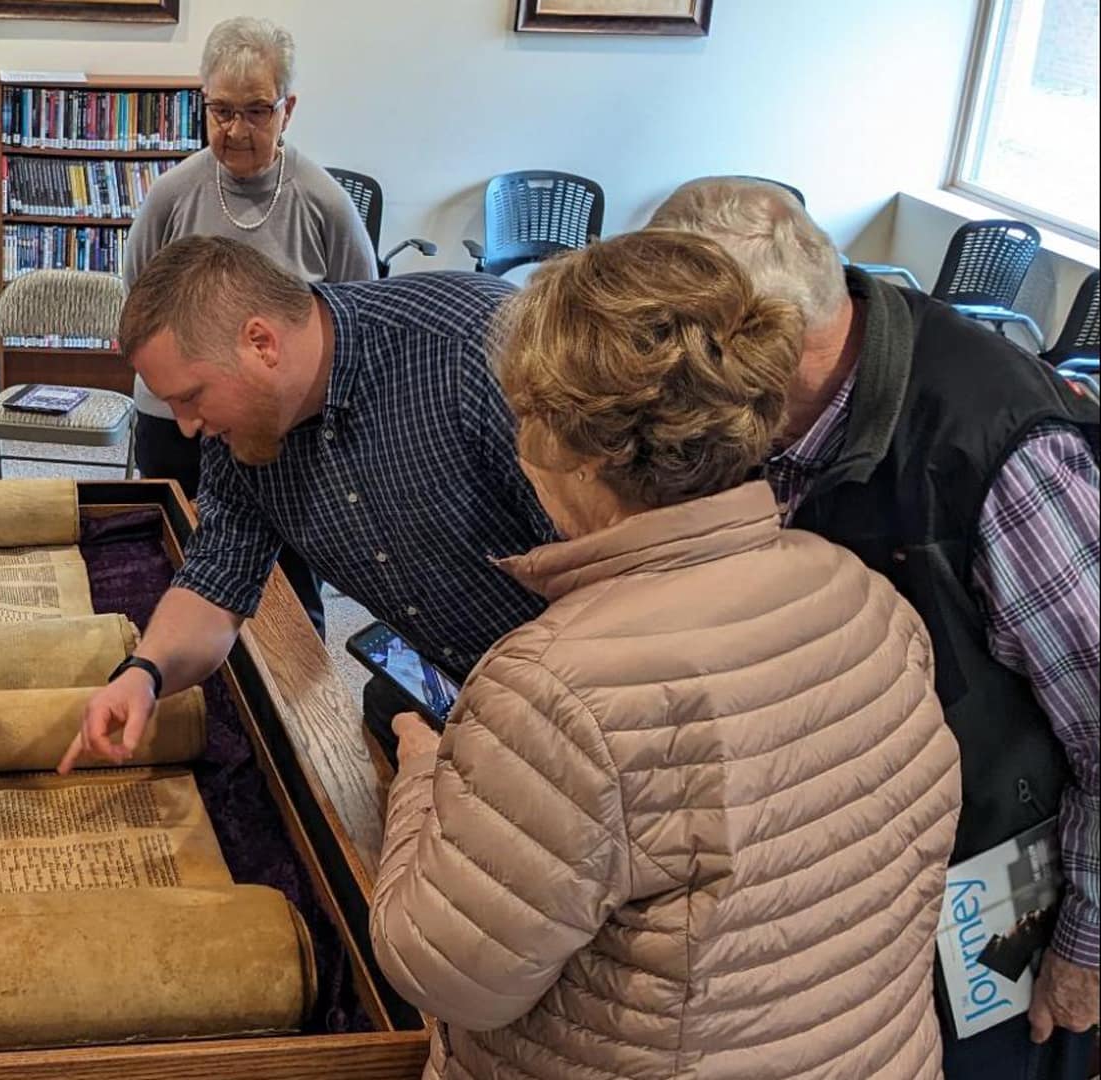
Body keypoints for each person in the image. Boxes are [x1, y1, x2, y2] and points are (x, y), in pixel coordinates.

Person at [372, 229, 962, 1078]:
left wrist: (423, 781)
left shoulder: (554, 689)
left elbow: (449, 975)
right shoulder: (863, 594)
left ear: (573, 445)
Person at [650, 178, 1100, 1079]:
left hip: (1001, 882)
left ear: (764, 340)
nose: (669, 382)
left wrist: (1087, 945)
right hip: (870, 863)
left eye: (680, 353)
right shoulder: (779, 403)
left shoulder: (1001, 452)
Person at [59, 235, 551, 774]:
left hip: (578, 684)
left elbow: (611, 568)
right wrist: (144, 674)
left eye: (191, 396)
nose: (187, 426)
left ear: (261, 343)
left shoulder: (474, 349)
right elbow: (217, 579)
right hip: (433, 679)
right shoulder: (241, 435)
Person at [123, 16, 376, 637]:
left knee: (288, 579)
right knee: (174, 557)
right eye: (221, 111)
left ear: (288, 109)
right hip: (177, 419)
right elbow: (138, 301)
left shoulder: (324, 202)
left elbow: (360, 317)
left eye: (257, 111)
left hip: (282, 429)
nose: (236, 130)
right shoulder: (171, 194)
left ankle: (295, 686)